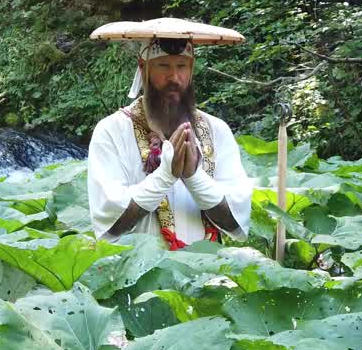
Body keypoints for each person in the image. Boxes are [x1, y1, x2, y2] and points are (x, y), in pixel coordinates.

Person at [87, 36, 253, 249]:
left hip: (206, 271)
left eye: (182, 66)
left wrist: (193, 177)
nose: (174, 77)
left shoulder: (216, 130)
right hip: (139, 276)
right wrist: (165, 176)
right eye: (163, 66)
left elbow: (235, 221)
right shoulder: (112, 131)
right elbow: (111, 225)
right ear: (143, 67)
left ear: (191, 69)